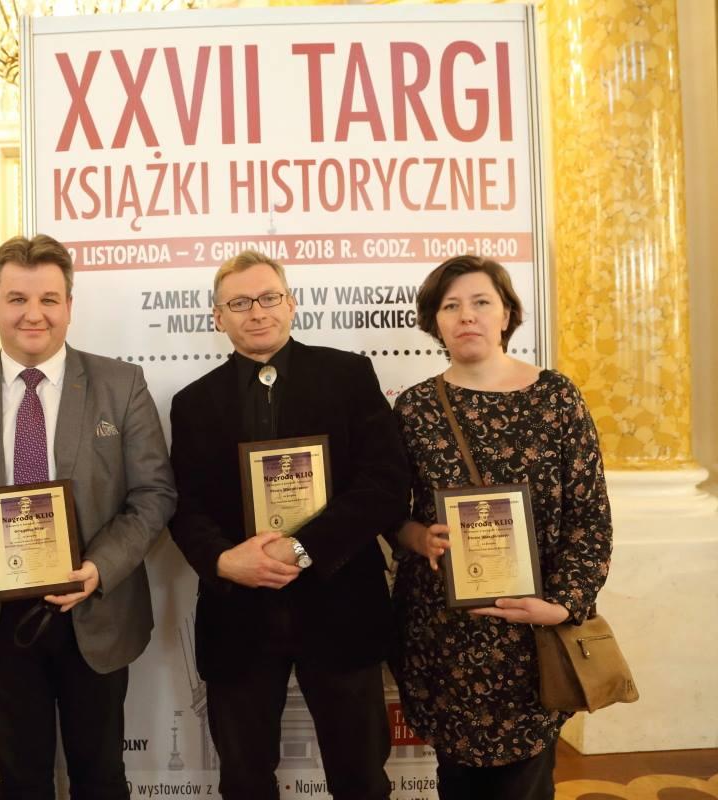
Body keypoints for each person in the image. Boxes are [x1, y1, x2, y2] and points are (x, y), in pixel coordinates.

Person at [0, 234, 176, 800]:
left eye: (50, 299)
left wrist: (100, 567)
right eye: (18, 298)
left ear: (70, 306)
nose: (34, 314)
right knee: (21, 779)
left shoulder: (120, 384)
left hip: (94, 611)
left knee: (100, 777)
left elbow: (153, 494)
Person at [168, 249, 409, 800]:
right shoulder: (192, 403)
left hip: (342, 609)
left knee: (362, 781)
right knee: (246, 782)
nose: (257, 312)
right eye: (240, 302)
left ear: (292, 303)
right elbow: (185, 504)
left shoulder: (348, 375)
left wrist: (301, 549)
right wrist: (225, 560)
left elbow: (385, 485)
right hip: (239, 618)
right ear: (217, 317)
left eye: (269, 297)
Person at [391, 254, 613, 800]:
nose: (467, 315)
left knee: (526, 783)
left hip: (531, 636)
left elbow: (590, 517)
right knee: (457, 782)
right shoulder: (415, 407)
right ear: (435, 321)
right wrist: (417, 536)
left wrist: (562, 604)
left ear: (507, 313)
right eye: (451, 305)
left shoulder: (556, 397)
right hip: (442, 635)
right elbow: (388, 510)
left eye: (481, 302)